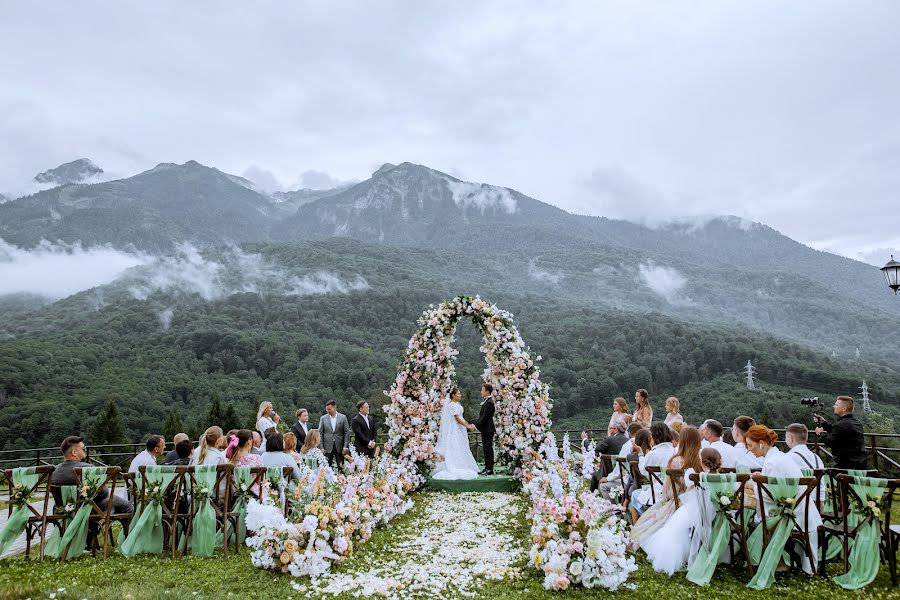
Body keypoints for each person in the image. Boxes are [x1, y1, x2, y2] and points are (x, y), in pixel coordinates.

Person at [745, 424, 821, 575]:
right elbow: (777, 487)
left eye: (750, 445)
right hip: (803, 511)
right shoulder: (777, 456)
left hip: (794, 515)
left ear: (761, 442)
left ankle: (776, 561)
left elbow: (770, 497)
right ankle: (779, 560)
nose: (749, 449)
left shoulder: (772, 462)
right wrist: (762, 480)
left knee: (756, 518)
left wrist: (752, 485)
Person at [639, 426, 705, 570]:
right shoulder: (702, 460)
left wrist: (666, 499)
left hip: (679, 501)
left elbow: (668, 491)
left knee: (647, 521)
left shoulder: (675, 460)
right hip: (701, 502)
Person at [51, 436, 132, 514]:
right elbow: (103, 493)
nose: (85, 450)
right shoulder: (87, 469)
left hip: (64, 508)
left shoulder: (53, 470)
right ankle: (129, 528)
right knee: (127, 506)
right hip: (88, 509)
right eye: (83, 449)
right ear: (74, 452)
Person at [630, 422, 675, 522]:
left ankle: (640, 527)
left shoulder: (653, 454)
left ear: (653, 437)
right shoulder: (675, 451)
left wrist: (641, 454)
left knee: (634, 495)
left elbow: (643, 472)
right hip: (675, 492)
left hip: (658, 493)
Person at [432, 387, 480, 480]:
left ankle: (462, 463)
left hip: (460, 428)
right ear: (453, 395)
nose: (460, 395)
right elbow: (457, 419)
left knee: (461, 445)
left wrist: (467, 424)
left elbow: (461, 417)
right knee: (455, 445)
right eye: (458, 394)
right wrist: (468, 426)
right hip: (454, 428)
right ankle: (455, 465)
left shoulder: (457, 404)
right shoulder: (452, 405)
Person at [814, 396, 867, 470]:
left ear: (844, 409)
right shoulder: (856, 422)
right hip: (860, 463)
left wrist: (821, 433)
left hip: (844, 465)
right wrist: (824, 423)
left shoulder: (841, 424)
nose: (834, 406)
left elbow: (830, 442)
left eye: (836, 405)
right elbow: (839, 433)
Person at [596, 422, 644, 499]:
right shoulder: (648, 444)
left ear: (629, 433)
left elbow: (619, 469)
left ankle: (613, 509)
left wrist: (608, 478)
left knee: (603, 486)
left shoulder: (627, 445)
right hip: (651, 482)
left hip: (631, 482)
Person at [318, 400, 351, 467]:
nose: (328, 411)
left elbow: (347, 432)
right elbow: (320, 433)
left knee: (341, 466)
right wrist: (321, 447)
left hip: (340, 446)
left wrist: (345, 446)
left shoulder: (343, 417)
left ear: (334, 407)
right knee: (326, 467)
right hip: (327, 447)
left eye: (329, 409)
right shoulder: (323, 418)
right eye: (327, 409)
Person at [473, 383, 496, 475]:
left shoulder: (489, 402)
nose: (481, 392)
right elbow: (482, 417)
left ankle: (489, 469)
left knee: (488, 449)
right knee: (486, 449)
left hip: (488, 429)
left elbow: (484, 417)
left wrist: (475, 425)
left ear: (487, 391)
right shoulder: (487, 401)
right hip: (485, 429)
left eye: (482, 390)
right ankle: (487, 468)